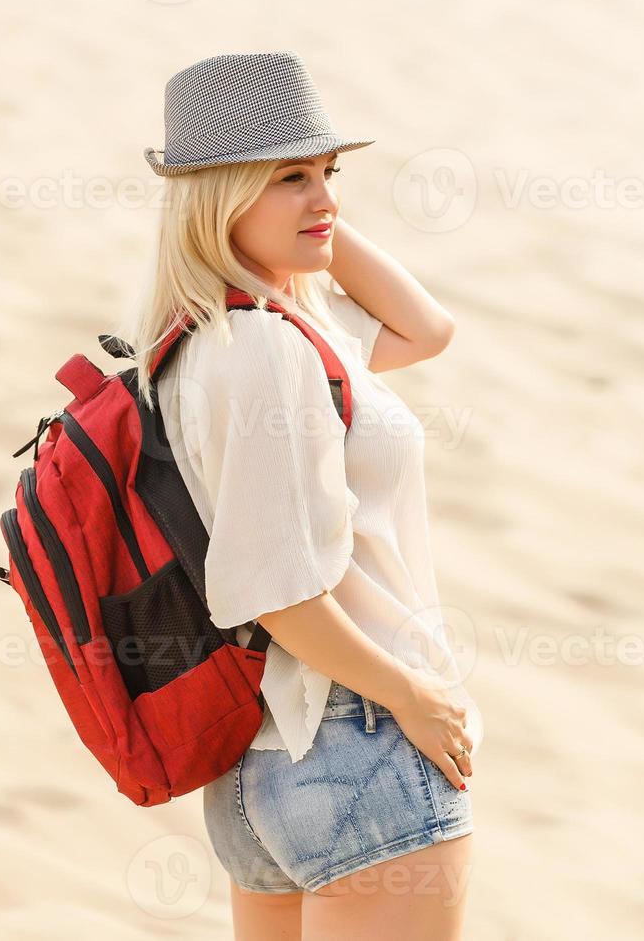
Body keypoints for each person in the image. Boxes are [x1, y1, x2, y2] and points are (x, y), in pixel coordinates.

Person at [123, 51, 480, 941]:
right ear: (217, 193)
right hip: (357, 736)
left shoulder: (205, 343)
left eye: (330, 173)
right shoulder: (271, 355)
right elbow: (276, 589)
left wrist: (301, 219)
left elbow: (424, 328)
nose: (324, 197)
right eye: (288, 176)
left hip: (258, 774)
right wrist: (413, 695)